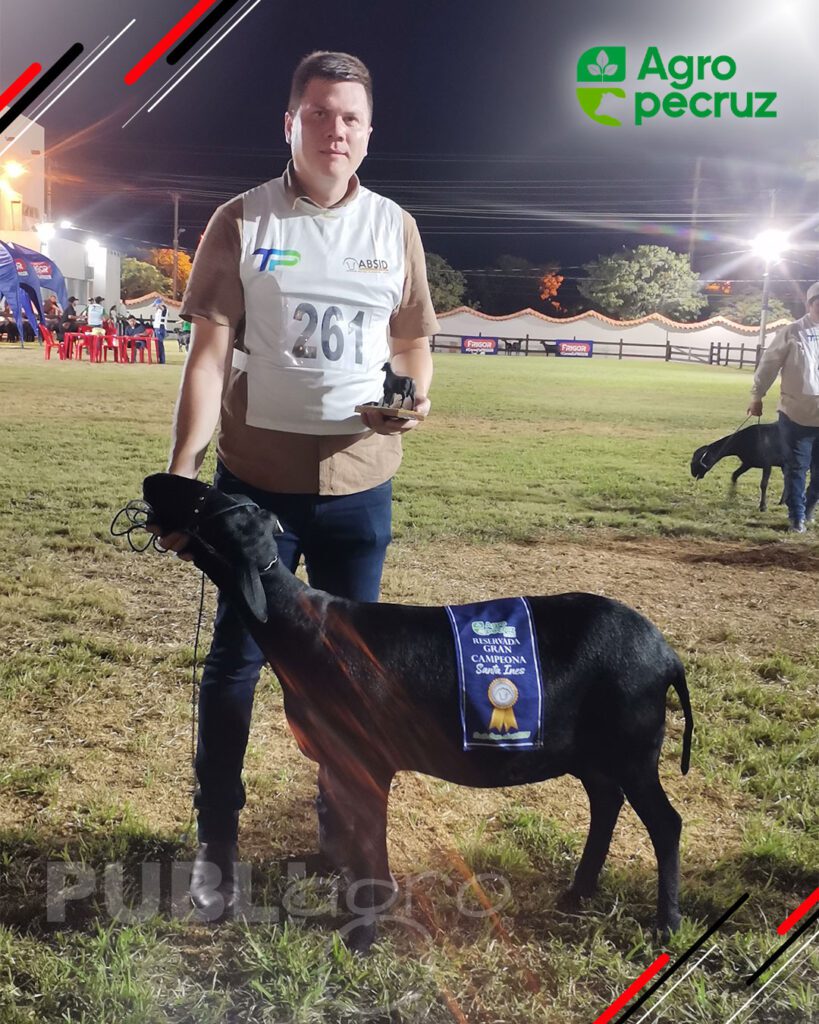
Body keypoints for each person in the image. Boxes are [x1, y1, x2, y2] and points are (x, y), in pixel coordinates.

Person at [158, 50, 438, 918]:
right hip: (256, 488)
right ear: (290, 124)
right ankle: (216, 844)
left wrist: (412, 400)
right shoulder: (241, 219)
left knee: (348, 674)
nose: (334, 130)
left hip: (360, 487)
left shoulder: (394, 226)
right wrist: (182, 474)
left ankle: (342, 829)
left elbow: (411, 343)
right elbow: (208, 358)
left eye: (349, 117)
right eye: (318, 113)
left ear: (368, 132)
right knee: (237, 663)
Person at [748, 281, 819, 532]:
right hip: (796, 414)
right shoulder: (792, 332)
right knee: (796, 467)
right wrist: (757, 395)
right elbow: (769, 365)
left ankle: (809, 507)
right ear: (809, 304)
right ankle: (797, 516)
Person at [152, 297, 168, 364]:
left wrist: (159, 303)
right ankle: (159, 359)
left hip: (160, 328)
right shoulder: (158, 310)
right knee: (158, 344)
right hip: (157, 328)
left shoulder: (163, 308)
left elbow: (162, 308)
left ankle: (162, 360)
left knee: (160, 344)